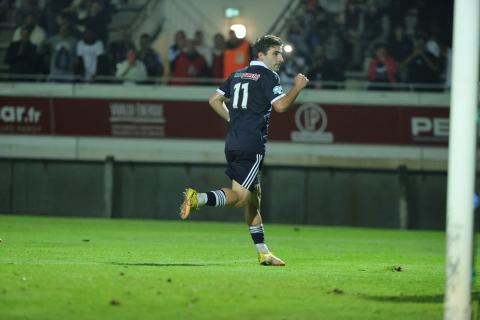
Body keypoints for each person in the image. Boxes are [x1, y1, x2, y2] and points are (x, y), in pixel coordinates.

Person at [179, 35, 309, 266]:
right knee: (240, 198)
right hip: (251, 144)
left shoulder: (237, 74)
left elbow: (213, 100)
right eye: (275, 53)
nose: (280, 58)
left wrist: (233, 120)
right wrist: (298, 87)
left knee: (253, 200)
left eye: (281, 53)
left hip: (234, 142)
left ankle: (264, 252)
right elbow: (280, 106)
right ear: (260, 55)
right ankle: (197, 198)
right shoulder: (268, 76)